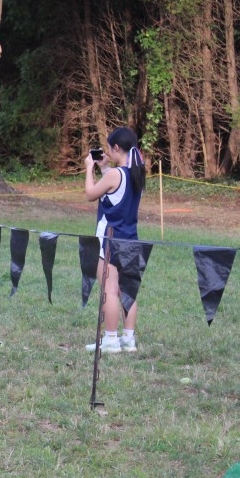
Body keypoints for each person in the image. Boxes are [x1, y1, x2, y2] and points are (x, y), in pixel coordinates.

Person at [84, 127, 146, 354]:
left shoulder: (115, 175)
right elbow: (117, 192)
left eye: (109, 149)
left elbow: (91, 194)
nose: (108, 152)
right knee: (127, 291)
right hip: (130, 239)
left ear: (117, 147)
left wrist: (89, 169)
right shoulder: (137, 173)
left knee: (109, 290)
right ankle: (128, 339)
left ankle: (110, 339)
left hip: (110, 238)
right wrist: (104, 168)